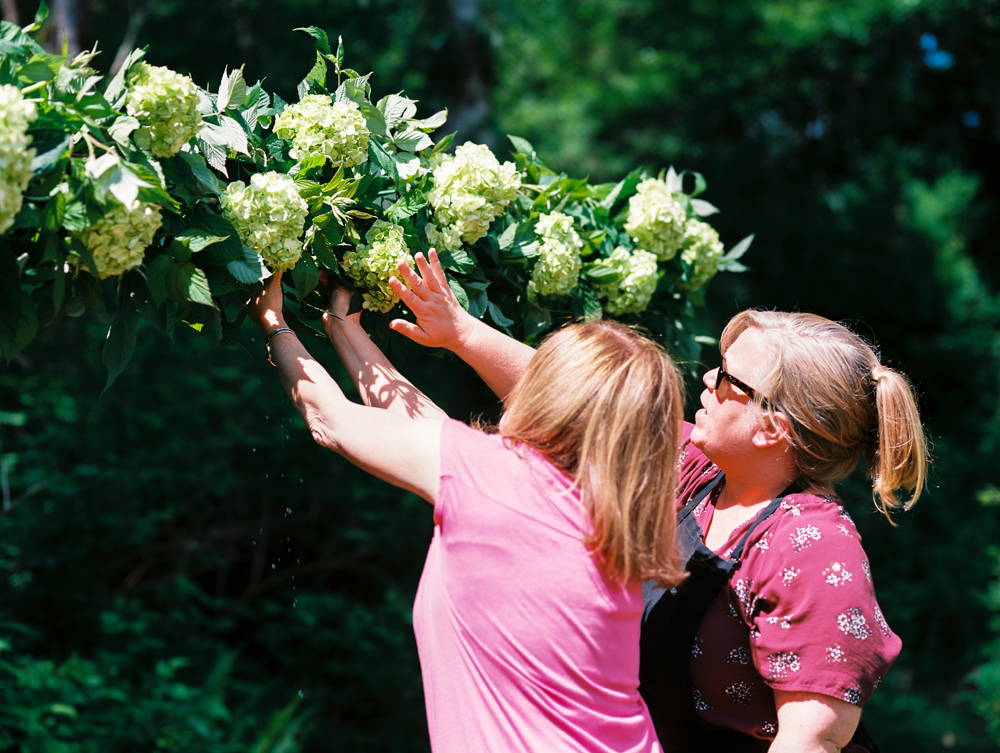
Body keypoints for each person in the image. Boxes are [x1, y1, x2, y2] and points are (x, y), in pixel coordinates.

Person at [385, 250, 929, 753]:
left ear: (772, 428)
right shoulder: (698, 472)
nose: (706, 380)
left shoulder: (813, 547)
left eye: (727, 381)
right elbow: (586, 403)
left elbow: (811, 741)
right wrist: (458, 331)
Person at [247, 266, 688, 752]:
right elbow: (420, 425)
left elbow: (331, 419)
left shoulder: (489, 478)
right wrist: (342, 327)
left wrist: (273, 322)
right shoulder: (613, 514)